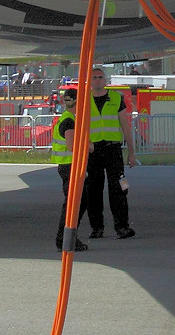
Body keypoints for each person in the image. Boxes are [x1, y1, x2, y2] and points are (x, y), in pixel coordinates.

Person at [85, 66, 136, 239]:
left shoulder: (116, 97)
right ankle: (97, 227)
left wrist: (131, 152)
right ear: (90, 81)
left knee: (120, 188)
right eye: (94, 77)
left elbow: (125, 126)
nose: (98, 80)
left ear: (105, 80)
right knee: (93, 190)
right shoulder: (84, 100)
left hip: (113, 149)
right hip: (93, 151)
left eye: (100, 77)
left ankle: (122, 227)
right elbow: (81, 127)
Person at [51, 88, 89, 252]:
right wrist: (89, 145)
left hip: (69, 166)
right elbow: (72, 145)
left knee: (78, 203)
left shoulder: (67, 118)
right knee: (73, 205)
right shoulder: (69, 122)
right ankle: (65, 239)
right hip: (70, 167)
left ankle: (67, 237)